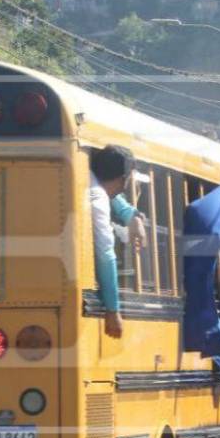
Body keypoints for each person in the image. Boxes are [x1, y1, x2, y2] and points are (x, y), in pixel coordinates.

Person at [89, 145, 147, 339]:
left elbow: (107, 189)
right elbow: (104, 254)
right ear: (123, 179)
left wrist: (131, 214)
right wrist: (113, 310)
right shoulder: (97, 198)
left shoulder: (88, 179)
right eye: (128, 181)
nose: (125, 188)